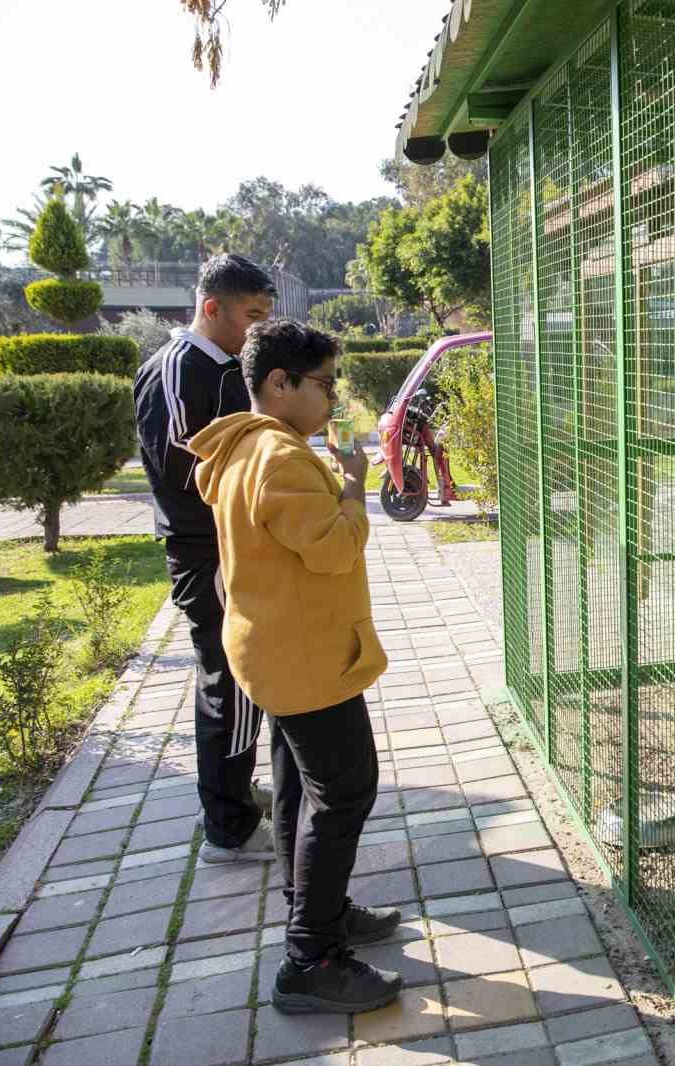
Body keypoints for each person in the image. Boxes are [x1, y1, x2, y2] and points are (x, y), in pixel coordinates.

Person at [189, 318, 402, 1013]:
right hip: (307, 660)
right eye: (323, 384)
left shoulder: (248, 446)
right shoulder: (279, 458)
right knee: (345, 793)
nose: (332, 399)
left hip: (275, 651)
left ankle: (319, 913)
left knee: (298, 791)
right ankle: (310, 958)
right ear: (278, 385)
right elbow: (336, 550)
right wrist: (353, 488)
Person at [135, 254, 277, 863]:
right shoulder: (176, 368)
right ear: (211, 307)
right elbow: (179, 462)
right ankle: (229, 828)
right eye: (251, 315)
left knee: (245, 674)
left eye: (267, 315)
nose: (260, 328)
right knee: (232, 680)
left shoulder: (225, 367)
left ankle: (235, 794)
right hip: (207, 552)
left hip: (235, 546)